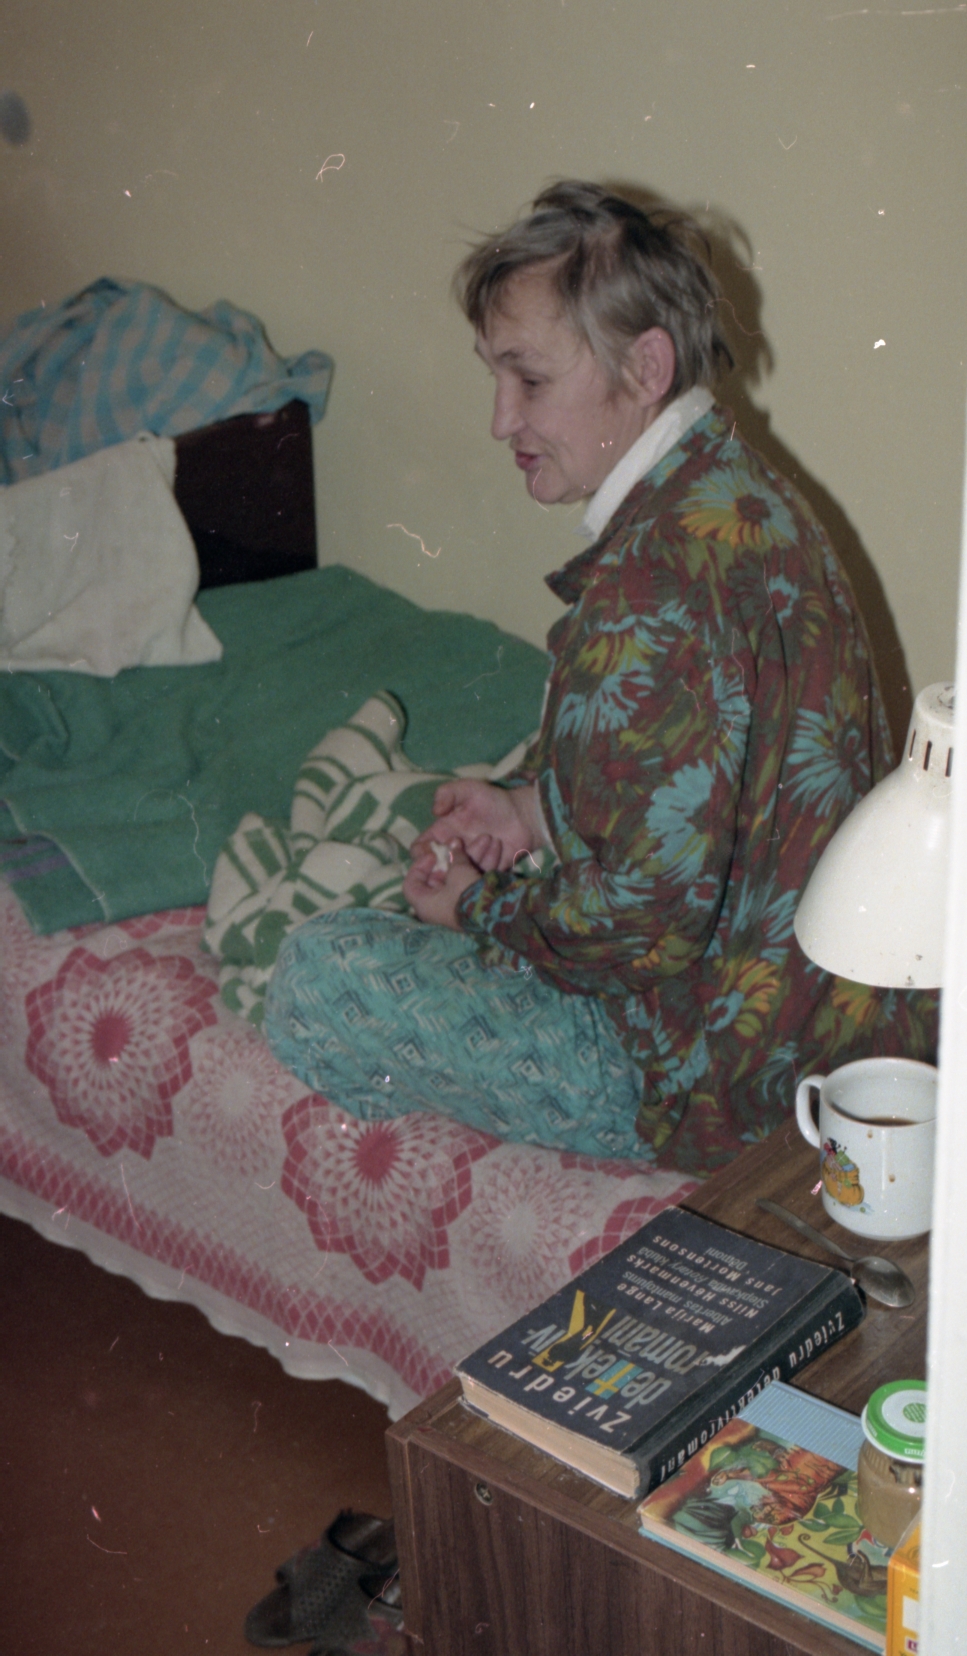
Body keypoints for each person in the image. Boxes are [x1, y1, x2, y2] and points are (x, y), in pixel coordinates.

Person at [264, 180, 935, 1176]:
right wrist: (531, 812)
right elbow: (708, 778)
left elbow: (643, 931)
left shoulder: (647, 590)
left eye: (528, 380)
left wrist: (476, 909)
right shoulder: (742, 494)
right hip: (813, 1024)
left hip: (703, 1078)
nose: (500, 419)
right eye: (495, 377)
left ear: (644, 367)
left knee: (316, 976)